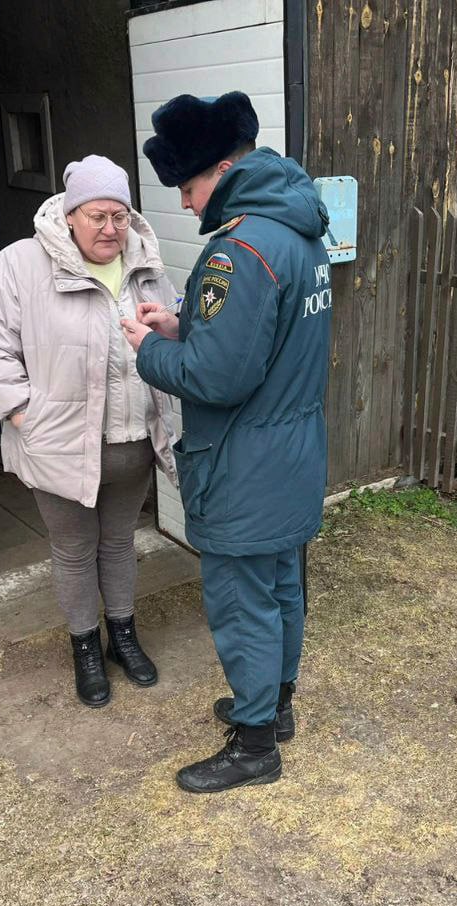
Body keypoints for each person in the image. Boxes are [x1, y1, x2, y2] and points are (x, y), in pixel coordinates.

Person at [120, 91, 332, 793]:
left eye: (186, 187)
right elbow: (265, 339)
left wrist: (149, 347)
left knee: (244, 603)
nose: (184, 204)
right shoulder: (298, 230)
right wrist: (184, 326)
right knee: (281, 587)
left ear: (221, 168)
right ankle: (275, 707)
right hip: (291, 451)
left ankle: (254, 745)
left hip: (245, 462)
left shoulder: (238, 250)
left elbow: (216, 378)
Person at [0, 155, 179, 708]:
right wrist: (21, 413)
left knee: (120, 543)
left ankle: (123, 637)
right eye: (97, 216)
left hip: (132, 444)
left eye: (119, 216)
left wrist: (173, 333)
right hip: (58, 447)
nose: (110, 229)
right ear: (69, 215)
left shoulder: (146, 264)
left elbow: (174, 335)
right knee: (74, 550)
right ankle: (85, 647)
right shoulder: (21, 264)